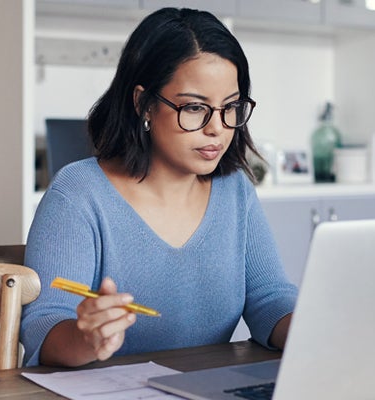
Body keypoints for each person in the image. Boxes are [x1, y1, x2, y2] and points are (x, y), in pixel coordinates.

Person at [21, 7, 298, 368]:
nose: (217, 128)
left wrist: (316, 330)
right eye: (196, 108)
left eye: (231, 107)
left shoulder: (235, 191)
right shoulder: (79, 194)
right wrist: (86, 337)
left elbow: (269, 298)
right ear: (144, 103)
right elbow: (44, 326)